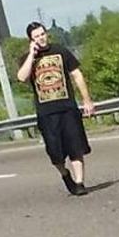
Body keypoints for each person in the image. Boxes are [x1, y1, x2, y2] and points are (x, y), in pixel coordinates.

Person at [17, 22, 95, 196]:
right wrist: (31, 54)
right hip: (46, 113)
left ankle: (80, 182)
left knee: (76, 147)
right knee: (55, 154)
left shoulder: (61, 51)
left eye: (42, 34)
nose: (41, 38)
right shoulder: (27, 59)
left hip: (67, 108)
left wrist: (87, 99)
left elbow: (76, 74)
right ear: (31, 39)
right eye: (36, 36)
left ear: (47, 34)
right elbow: (21, 77)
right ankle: (65, 174)